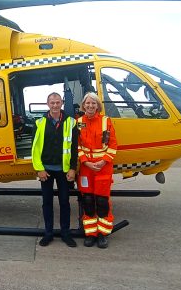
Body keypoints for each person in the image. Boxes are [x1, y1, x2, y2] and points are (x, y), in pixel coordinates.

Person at [31, 92, 79, 247]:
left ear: (62, 103)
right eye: (52, 103)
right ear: (47, 104)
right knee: (47, 202)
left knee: (64, 202)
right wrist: (39, 169)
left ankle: (65, 233)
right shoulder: (39, 123)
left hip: (64, 171)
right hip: (46, 171)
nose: (55, 105)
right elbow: (35, 149)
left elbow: (74, 148)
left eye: (58, 102)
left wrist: (72, 169)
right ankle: (48, 233)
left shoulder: (71, 123)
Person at [76, 92, 118, 249]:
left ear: (98, 105)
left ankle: (102, 234)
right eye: (87, 103)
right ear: (83, 105)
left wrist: (103, 161)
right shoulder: (79, 122)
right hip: (86, 168)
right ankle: (90, 233)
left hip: (103, 168)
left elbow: (113, 145)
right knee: (87, 200)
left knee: (102, 201)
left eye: (93, 103)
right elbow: (77, 145)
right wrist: (85, 162)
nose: (90, 106)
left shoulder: (106, 121)